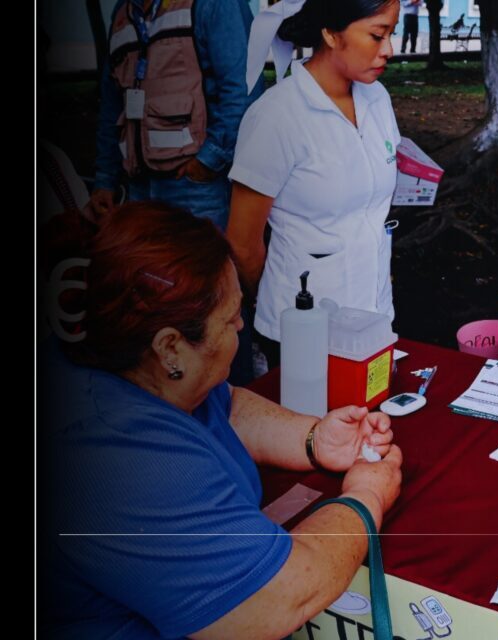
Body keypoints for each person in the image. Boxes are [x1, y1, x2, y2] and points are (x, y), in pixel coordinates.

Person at [40, 203, 403, 639]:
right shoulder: (118, 456)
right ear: (170, 348)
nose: (241, 325)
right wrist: (366, 497)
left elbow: (225, 405)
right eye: (230, 320)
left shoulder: (138, 366)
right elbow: (278, 598)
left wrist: (314, 438)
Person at [228, 0, 402, 367]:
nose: (389, 49)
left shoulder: (377, 99)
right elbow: (243, 244)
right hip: (304, 331)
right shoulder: (277, 115)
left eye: (391, 33)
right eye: (377, 35)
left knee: (369, 420)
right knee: (313, 422)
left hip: (373, 318)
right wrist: (276, 297)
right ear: (330, 33)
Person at [89, 0, 262, 230]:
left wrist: (209, 161)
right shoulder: (123, 12)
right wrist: (105, 179)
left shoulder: (214, 4)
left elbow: (242, 88)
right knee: (146, 265)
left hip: (197, 187)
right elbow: (112, 105)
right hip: (138, 186)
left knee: (201, 264)